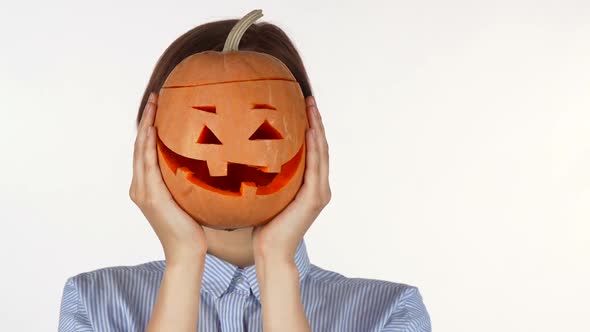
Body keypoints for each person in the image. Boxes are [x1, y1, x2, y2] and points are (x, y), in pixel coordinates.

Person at [58, 14, 431, 332]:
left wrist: (277, 265)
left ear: (310, 137)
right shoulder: (94, 305)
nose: (232, 152)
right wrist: (184, 261)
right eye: (205, 132)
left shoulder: (389, 313)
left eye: (263, 131)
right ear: (148, 138)